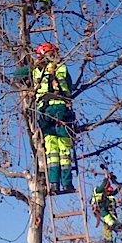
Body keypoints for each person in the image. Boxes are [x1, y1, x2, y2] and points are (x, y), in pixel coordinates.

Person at [33, 42, 75, 194]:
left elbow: (19, 74)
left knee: (51, 151)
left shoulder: (35, 70)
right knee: (64, 149)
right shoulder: (62, 67)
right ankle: (67, 184)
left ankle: (53, 185)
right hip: (61, 109)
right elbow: (69, 86)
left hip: (45, 111)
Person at [91, 177, 120, 243]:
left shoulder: (107, 195)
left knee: (107, 227)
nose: (108, 193)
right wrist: (106, 178)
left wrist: (118, 188)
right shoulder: (98, 190)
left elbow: (112, 193)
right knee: (107, 226)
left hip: (107, 211)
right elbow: (103, 186)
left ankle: (109, 242)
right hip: (100, 208)